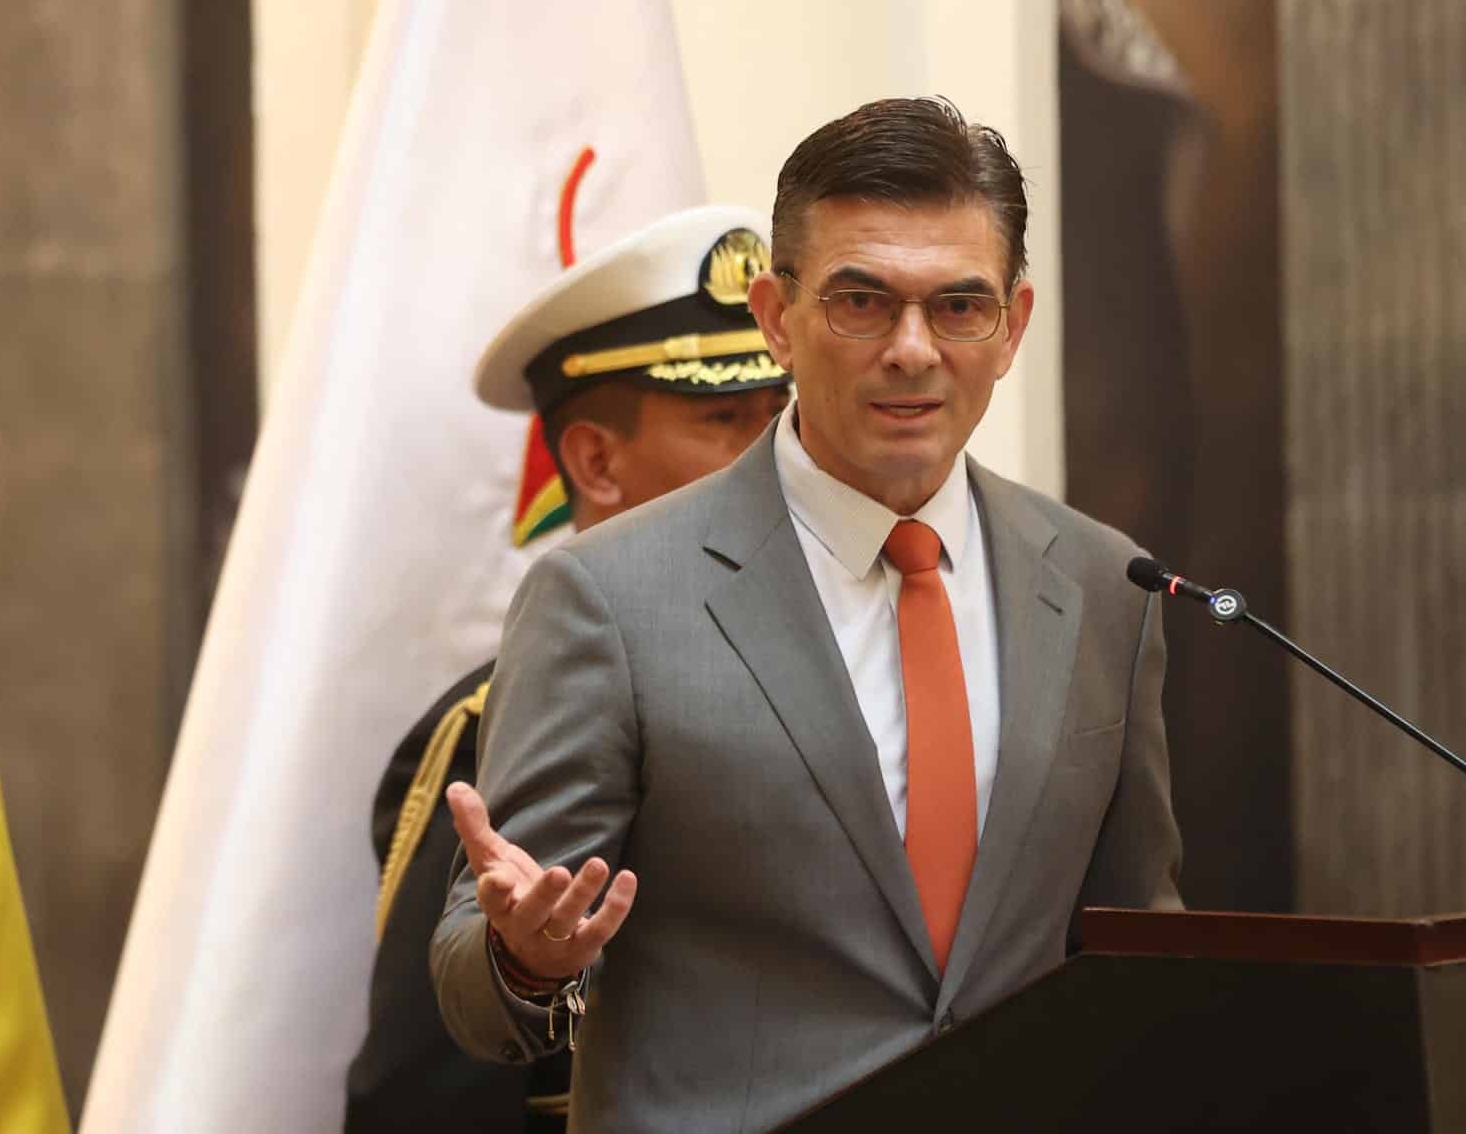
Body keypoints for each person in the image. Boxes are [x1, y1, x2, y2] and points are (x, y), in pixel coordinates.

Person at [430, 98, 1182, 1133]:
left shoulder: (1106, 584)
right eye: (863, 301)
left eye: (960, 306)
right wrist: (525, 956)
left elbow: (1141, 944)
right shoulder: (610, 598)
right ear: (777, 317)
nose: (913, 348)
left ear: (1013, 326)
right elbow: (476, 980)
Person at [346, 206, 794, 1132]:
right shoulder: (496, 722)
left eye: (779, 414)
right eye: (724, 418)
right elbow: (429, 1099)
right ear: (595, 459)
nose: (778, 457)